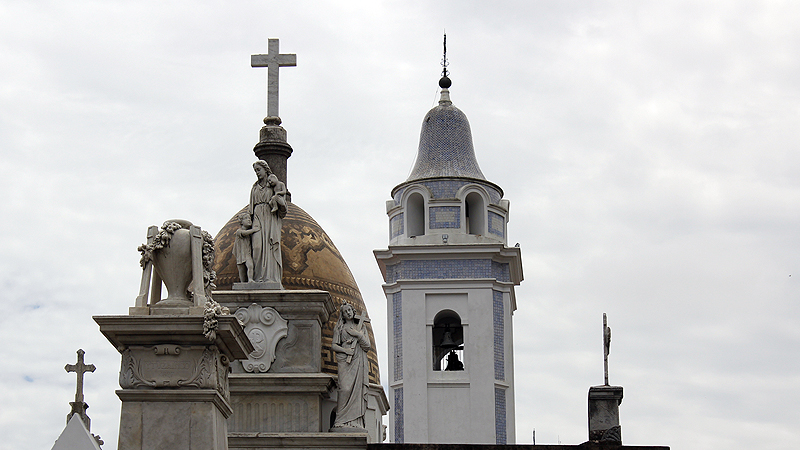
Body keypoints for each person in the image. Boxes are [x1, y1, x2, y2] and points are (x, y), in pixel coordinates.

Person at [330, 302, 371, 429]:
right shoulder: (339, 328)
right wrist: (346, 350)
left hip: (358, 360)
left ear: (353, 311)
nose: (348, 313)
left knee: (357, 391)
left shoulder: (361, 327)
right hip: (345, 361)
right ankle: (340, 420)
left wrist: (358, 335)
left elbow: (367, 346)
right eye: (345, 311)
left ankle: (355, 421)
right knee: (345, 389)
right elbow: (334, 345)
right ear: (342, 315)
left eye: (349, 310)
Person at [248, 161, 285, 286]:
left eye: (259, 170)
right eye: (255, 171)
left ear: (265, 169)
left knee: (269, 246)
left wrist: (277, 200)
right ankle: (256, 277)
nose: (257, 173)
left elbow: (282, 206)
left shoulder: (273, 185)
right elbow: (251, 209)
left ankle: (269, 277)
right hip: (257, 217)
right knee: (257, 247)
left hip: (270, 218)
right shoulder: (254, 188)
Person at [234, 212, 260, 282]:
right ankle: (243, 282)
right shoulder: (239, 231)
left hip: (247, 253)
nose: (249, 220)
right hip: (240, 255)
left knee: (250, 265)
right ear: (241, 222)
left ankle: (250, 279)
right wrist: (254, 230)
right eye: (246, 218)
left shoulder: (250, 234)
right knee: (241, 270)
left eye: (249, 218)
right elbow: (244, 233)